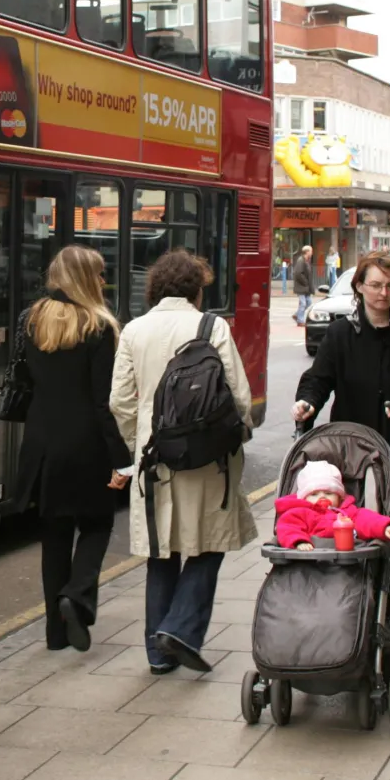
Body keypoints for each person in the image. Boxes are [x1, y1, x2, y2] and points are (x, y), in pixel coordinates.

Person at [111, 250, 256, 675]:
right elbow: (240, 397)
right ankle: (180, 628)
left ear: (154, 287)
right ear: (196, 289)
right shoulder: (212, 327)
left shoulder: (134, 331)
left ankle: (158, 653)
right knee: (211, 543)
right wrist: (238, 434)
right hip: (210, 458)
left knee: (161, 551)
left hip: (156, 459)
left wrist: (140, 441)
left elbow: (119, 401)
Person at [292, 250, 390, 620]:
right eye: (374, 285)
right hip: (349, 446)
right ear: (359, 287)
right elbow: (319, 378)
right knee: (349, 518)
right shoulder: (341, 333)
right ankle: (351, 594)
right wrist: (307, 403)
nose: (383, 293)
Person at [13, 245, 132, 653]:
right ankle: (78, 596)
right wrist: (122, 459)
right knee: (98, 524)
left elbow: (27, 382)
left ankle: (55, 635)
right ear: (84, 279)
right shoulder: (99, 326)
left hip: (43, 444)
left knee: (55, 535)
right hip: (87, 445)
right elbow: (105, 403)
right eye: (99, 275)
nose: (103, 282)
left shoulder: (32, 319)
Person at [274, 460, 390, 550]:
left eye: (328, 493)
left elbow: (368, 520)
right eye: (314, 494)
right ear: (304, 497)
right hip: (310, 563)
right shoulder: (299, 512)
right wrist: (299, 541)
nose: (322, 497)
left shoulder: (348, 514)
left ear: (339, 497)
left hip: (343, 566)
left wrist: (385, 526)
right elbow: (287, 527)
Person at [292, 245, 315, 325]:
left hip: (305, 288)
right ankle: (300, 321)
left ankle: (297, 314)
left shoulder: (306, 261)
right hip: (301, 287)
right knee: (303, 303)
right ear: (307, 252)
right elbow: (298, 273)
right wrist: (305, 283)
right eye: (311, 251)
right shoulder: (301, 260)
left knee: (308, 302)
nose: (312, 253)